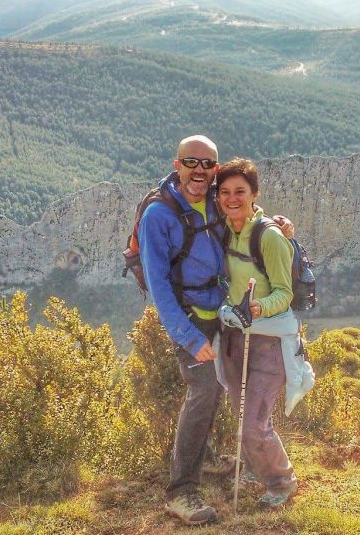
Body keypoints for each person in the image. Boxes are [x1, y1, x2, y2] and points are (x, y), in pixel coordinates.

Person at [139, 136, 294, 525]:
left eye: (207, 164)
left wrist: (278, 225)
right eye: (191, 162)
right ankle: (181, 492)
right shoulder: (158, 217)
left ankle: (206, 459)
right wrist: (189, 338)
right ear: (177, 165)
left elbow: (241, 214)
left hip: (221, 313)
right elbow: (159, 287)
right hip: (190, 319)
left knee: (223, 386)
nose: (200, 171)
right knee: (204, 390)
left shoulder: (210, 199)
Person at [214, 158, 299, 508]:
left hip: (268, 343)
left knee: (254, 422)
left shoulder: (270, 236)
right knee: (242, 412)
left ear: (255, 194)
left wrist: (258, 307)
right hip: (235, 336)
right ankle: (254, 466)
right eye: (225, 192)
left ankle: (282, 480)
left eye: (240, 191)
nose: (232, 198)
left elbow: (284, 291)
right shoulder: (222, 228)